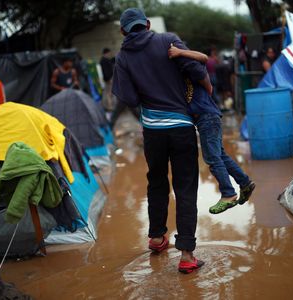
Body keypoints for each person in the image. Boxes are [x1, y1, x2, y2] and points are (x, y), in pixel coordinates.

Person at [113, 8, 211, 274]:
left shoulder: (123, 57)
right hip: (181, 127)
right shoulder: (168, 40)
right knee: (185, 187)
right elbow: (195, 67)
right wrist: (207, 92)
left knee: (156, 181)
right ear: (146, 24)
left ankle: (157, 238)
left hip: (153, 132)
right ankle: (187, 255)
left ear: (123, 31)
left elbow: (129, 98)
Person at [168, 45, 256, 214]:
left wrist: (180, 52)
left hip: (206, 117)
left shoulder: (185, 63)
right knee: (220, 154)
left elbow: (203, 59)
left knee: (212, 158)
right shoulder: (177, 73)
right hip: (206, 117)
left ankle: (228, 194)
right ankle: (244, 183)